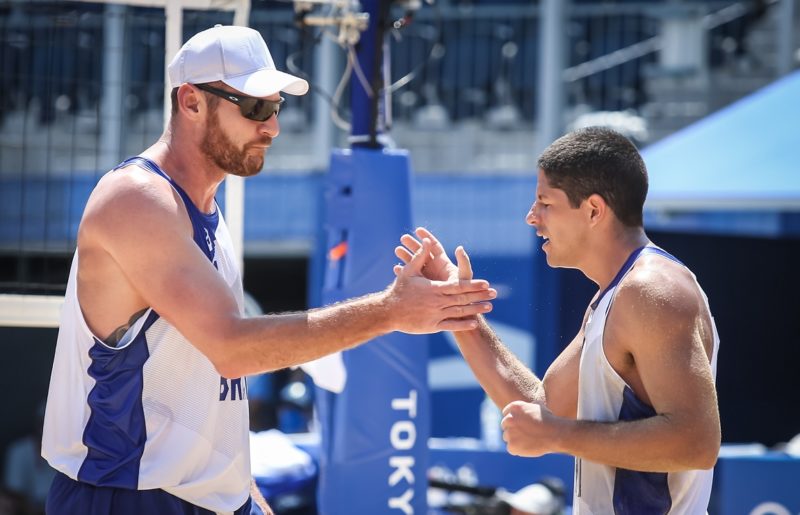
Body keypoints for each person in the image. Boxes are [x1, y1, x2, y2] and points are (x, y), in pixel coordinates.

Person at [40, 25, 496, 515]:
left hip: (201, 496)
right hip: (126, 493)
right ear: (191, 102)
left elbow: (209, 394)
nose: (272, 127)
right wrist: (391, 311)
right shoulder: (136, 200)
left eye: (275, 107)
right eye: (255, 108)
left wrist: (243, 493)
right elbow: (232, 350)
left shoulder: (203, 207)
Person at [395, 127, 721, 513]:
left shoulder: (651, 289)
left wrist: (558, 435)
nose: (531, 217)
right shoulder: (614, 295)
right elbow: (543, 409)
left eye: (545, 203)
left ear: (594, 210)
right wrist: (459, 309)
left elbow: (696, 443)